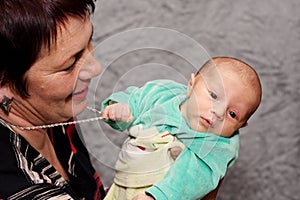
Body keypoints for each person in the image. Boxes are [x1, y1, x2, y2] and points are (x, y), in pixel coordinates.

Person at [101, 57, 262, 200]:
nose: (218, 113)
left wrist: (156, 196)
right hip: (121, 186)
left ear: (241, 125)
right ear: (191, 85)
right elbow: (135, 100)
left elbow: (192, 177)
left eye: (232, 114)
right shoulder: (163, 94)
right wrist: (120, 108)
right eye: (214, 96)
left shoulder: (219, 145)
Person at [0, 0, 106, 199]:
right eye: (70, 65)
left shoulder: (49, 107)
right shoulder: (17, 189)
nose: (95, 68)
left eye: (89, 42)